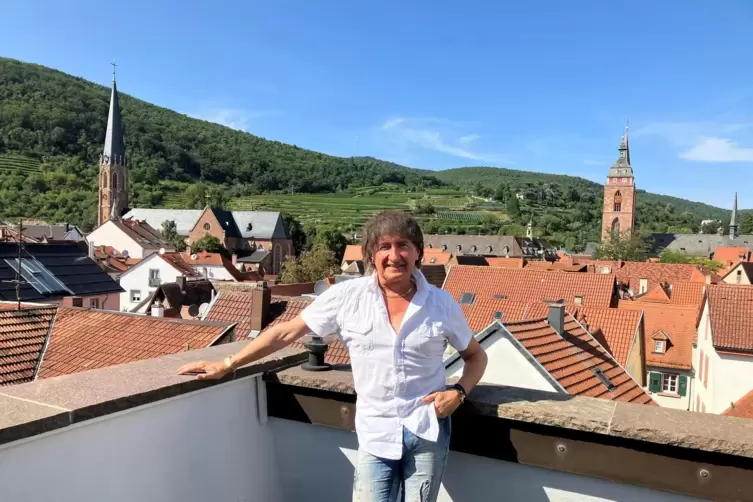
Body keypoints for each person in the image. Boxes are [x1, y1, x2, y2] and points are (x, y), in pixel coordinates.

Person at [178, 211, 487, 501]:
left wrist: (458, 392)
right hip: (375, 433)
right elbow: (285, 332)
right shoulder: (347, 298)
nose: (394, 256)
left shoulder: (442, 304)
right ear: (371, 255)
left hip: (427, 430)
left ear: (417, 252)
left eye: (403, 246)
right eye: (384, 247)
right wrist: (227, 364)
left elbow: (476, 356)